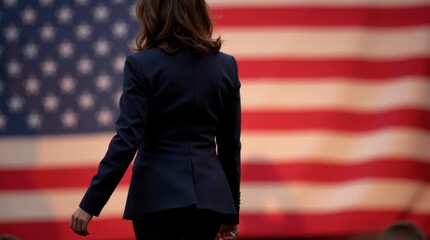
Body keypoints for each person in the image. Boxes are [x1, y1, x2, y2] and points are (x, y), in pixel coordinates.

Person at [70, 0, 241, 239]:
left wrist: (90, 203)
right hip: (210, 202)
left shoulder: (141, 65)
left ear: (152, 13)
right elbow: (230, 146)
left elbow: (127, 139)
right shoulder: (226, 66)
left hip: (156, 200)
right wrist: (231, 214)